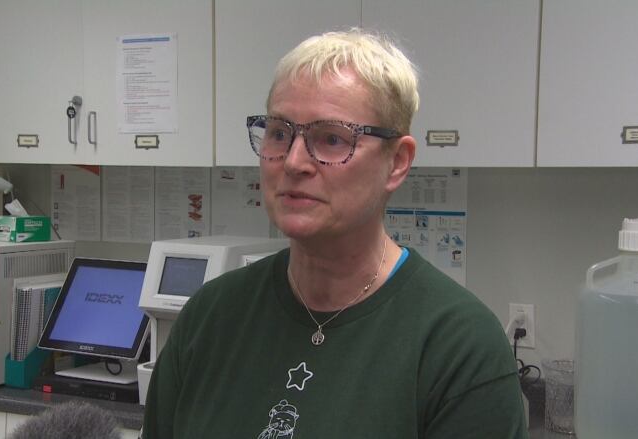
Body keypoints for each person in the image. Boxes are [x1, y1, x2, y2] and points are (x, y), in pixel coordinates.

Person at [143, 28, 527, 438]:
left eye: (330, 139)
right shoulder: (210, 317)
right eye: (279, 132)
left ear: (397, 162)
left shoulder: (460, 349)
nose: (293, 162)